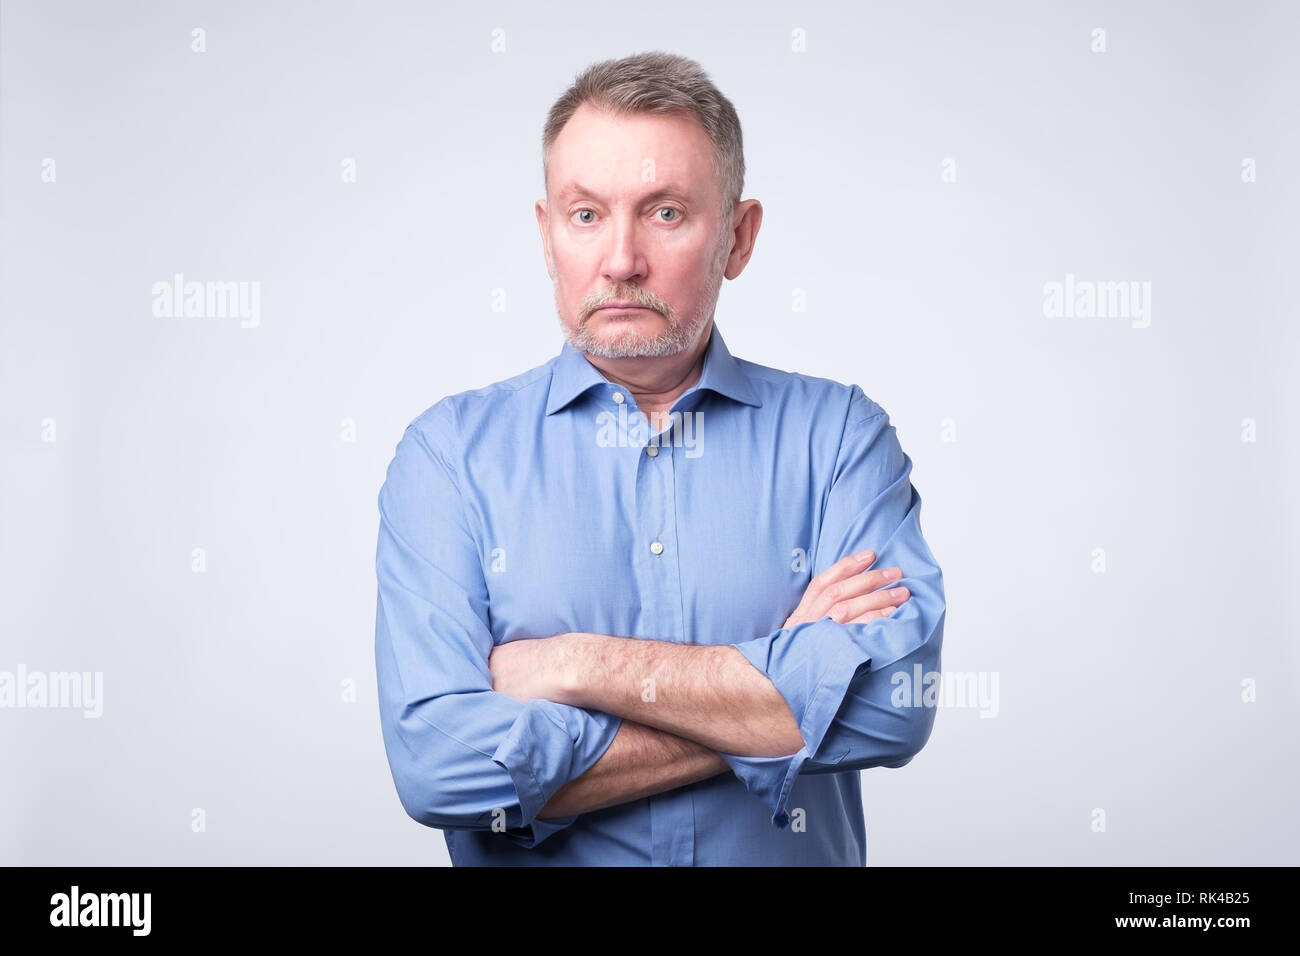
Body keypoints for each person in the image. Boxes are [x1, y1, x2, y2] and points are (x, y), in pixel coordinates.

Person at [374, 50, 945, 866]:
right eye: (585, 215)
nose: (620, 260)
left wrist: (570, 665)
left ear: (739, 238)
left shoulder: (841, 438)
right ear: (546, 235)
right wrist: (783, 693)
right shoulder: (449, 459)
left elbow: (891, 708)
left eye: (666, 213)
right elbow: (439, 770)